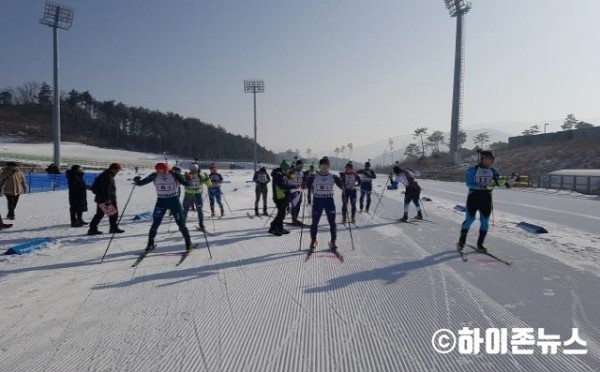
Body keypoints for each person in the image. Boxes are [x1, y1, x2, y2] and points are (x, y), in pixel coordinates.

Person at [134, 162, 194, 253]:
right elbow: (141, 183)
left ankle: (188, 243)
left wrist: (189, 180)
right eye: (158, 170)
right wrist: (137, 181)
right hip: (161, 201)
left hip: (174, 200)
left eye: (162, 170)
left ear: (166, 169)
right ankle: (150, 244)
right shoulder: (154, 175)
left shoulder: (174, 174)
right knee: (156, 222)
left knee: (180, 222)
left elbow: (187, 184)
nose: (160, 172)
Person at [457, 151, 504, 253]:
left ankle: (480, 244)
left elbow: (501, 183)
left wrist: (513, 180)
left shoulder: (494, 171)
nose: (490, 162)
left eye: (491, 160)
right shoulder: (472, 169)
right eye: (488, 160)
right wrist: (483, 186)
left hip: (486, 199)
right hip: (473, 198)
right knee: (469, 220)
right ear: (482, 159)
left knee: (485, 222)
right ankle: (461, 242)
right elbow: (469, 184)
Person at [306, 157, 343, 251]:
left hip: (329, 201)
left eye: (326, 166)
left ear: (329, 166)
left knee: (332, 223)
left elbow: (343, 187)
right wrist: (307, 179)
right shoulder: (314, 176)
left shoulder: (333, 177)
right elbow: (304, 186)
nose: (324, 168)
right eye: (322, 165)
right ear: (319, 166)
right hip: (317, 201)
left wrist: (342, 180)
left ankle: (333, 241)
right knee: (314, 223)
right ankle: (313, 240)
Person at [88, 163, 124, 235]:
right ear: (113, 169)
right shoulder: (107, 176)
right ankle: (112, 228)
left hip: (102, 198)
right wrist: (108, 199)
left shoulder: (106, 174)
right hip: (106, 199)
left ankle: (93, 228)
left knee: (101, 214)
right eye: (117, 170)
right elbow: (106, 188)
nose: (117, 172)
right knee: (113, 214)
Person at [182, 164, 212, 231]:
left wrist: (207, 178)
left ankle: (201, 225)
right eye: (191, 169)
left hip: (197, 194)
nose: (193, 171)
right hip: (188, 195)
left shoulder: (201, 175)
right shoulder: (186, 175)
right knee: (185, 210)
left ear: (197, 169)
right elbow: (179, 182)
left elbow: (209, 184)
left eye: (194, 169)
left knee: (199, 209)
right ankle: (182, 225)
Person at [269, 160, 291, 236]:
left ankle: (280, 228)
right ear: (284, 168)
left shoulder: (282, 173)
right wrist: (289, 187)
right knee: (281, 214)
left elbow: (285, 182)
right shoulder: (278, 174)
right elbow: (281, 184)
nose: (288, 170)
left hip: (282, 196)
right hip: (279, 197)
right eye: (287, 168)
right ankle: (273, 227)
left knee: (282, 213)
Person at [287, 160, 306, 225]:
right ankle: (294, 219)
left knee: (298, 205)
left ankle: (295, 218)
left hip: (299, 190)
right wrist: (293, 185)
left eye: (301, 166)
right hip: (292, 191)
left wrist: (303, 184)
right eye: (299, 165)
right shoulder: (292, 171)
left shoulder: (301, 172)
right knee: (294, 205)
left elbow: (301, 180)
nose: (300, 167)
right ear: (296, 165)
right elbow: (289, 179)